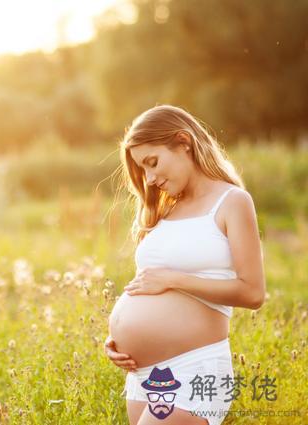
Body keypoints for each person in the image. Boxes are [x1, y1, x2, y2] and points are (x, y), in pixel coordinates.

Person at [104, 105, 266, 425]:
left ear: (183, 142)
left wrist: (174, 280)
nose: (150, 178)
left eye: (153, 162)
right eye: (142, 169)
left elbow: (253, 293)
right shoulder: (165, 211)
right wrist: (117, 340)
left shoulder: (232, 202)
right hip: (142, 375)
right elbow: (149, 283)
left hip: (194, 368)